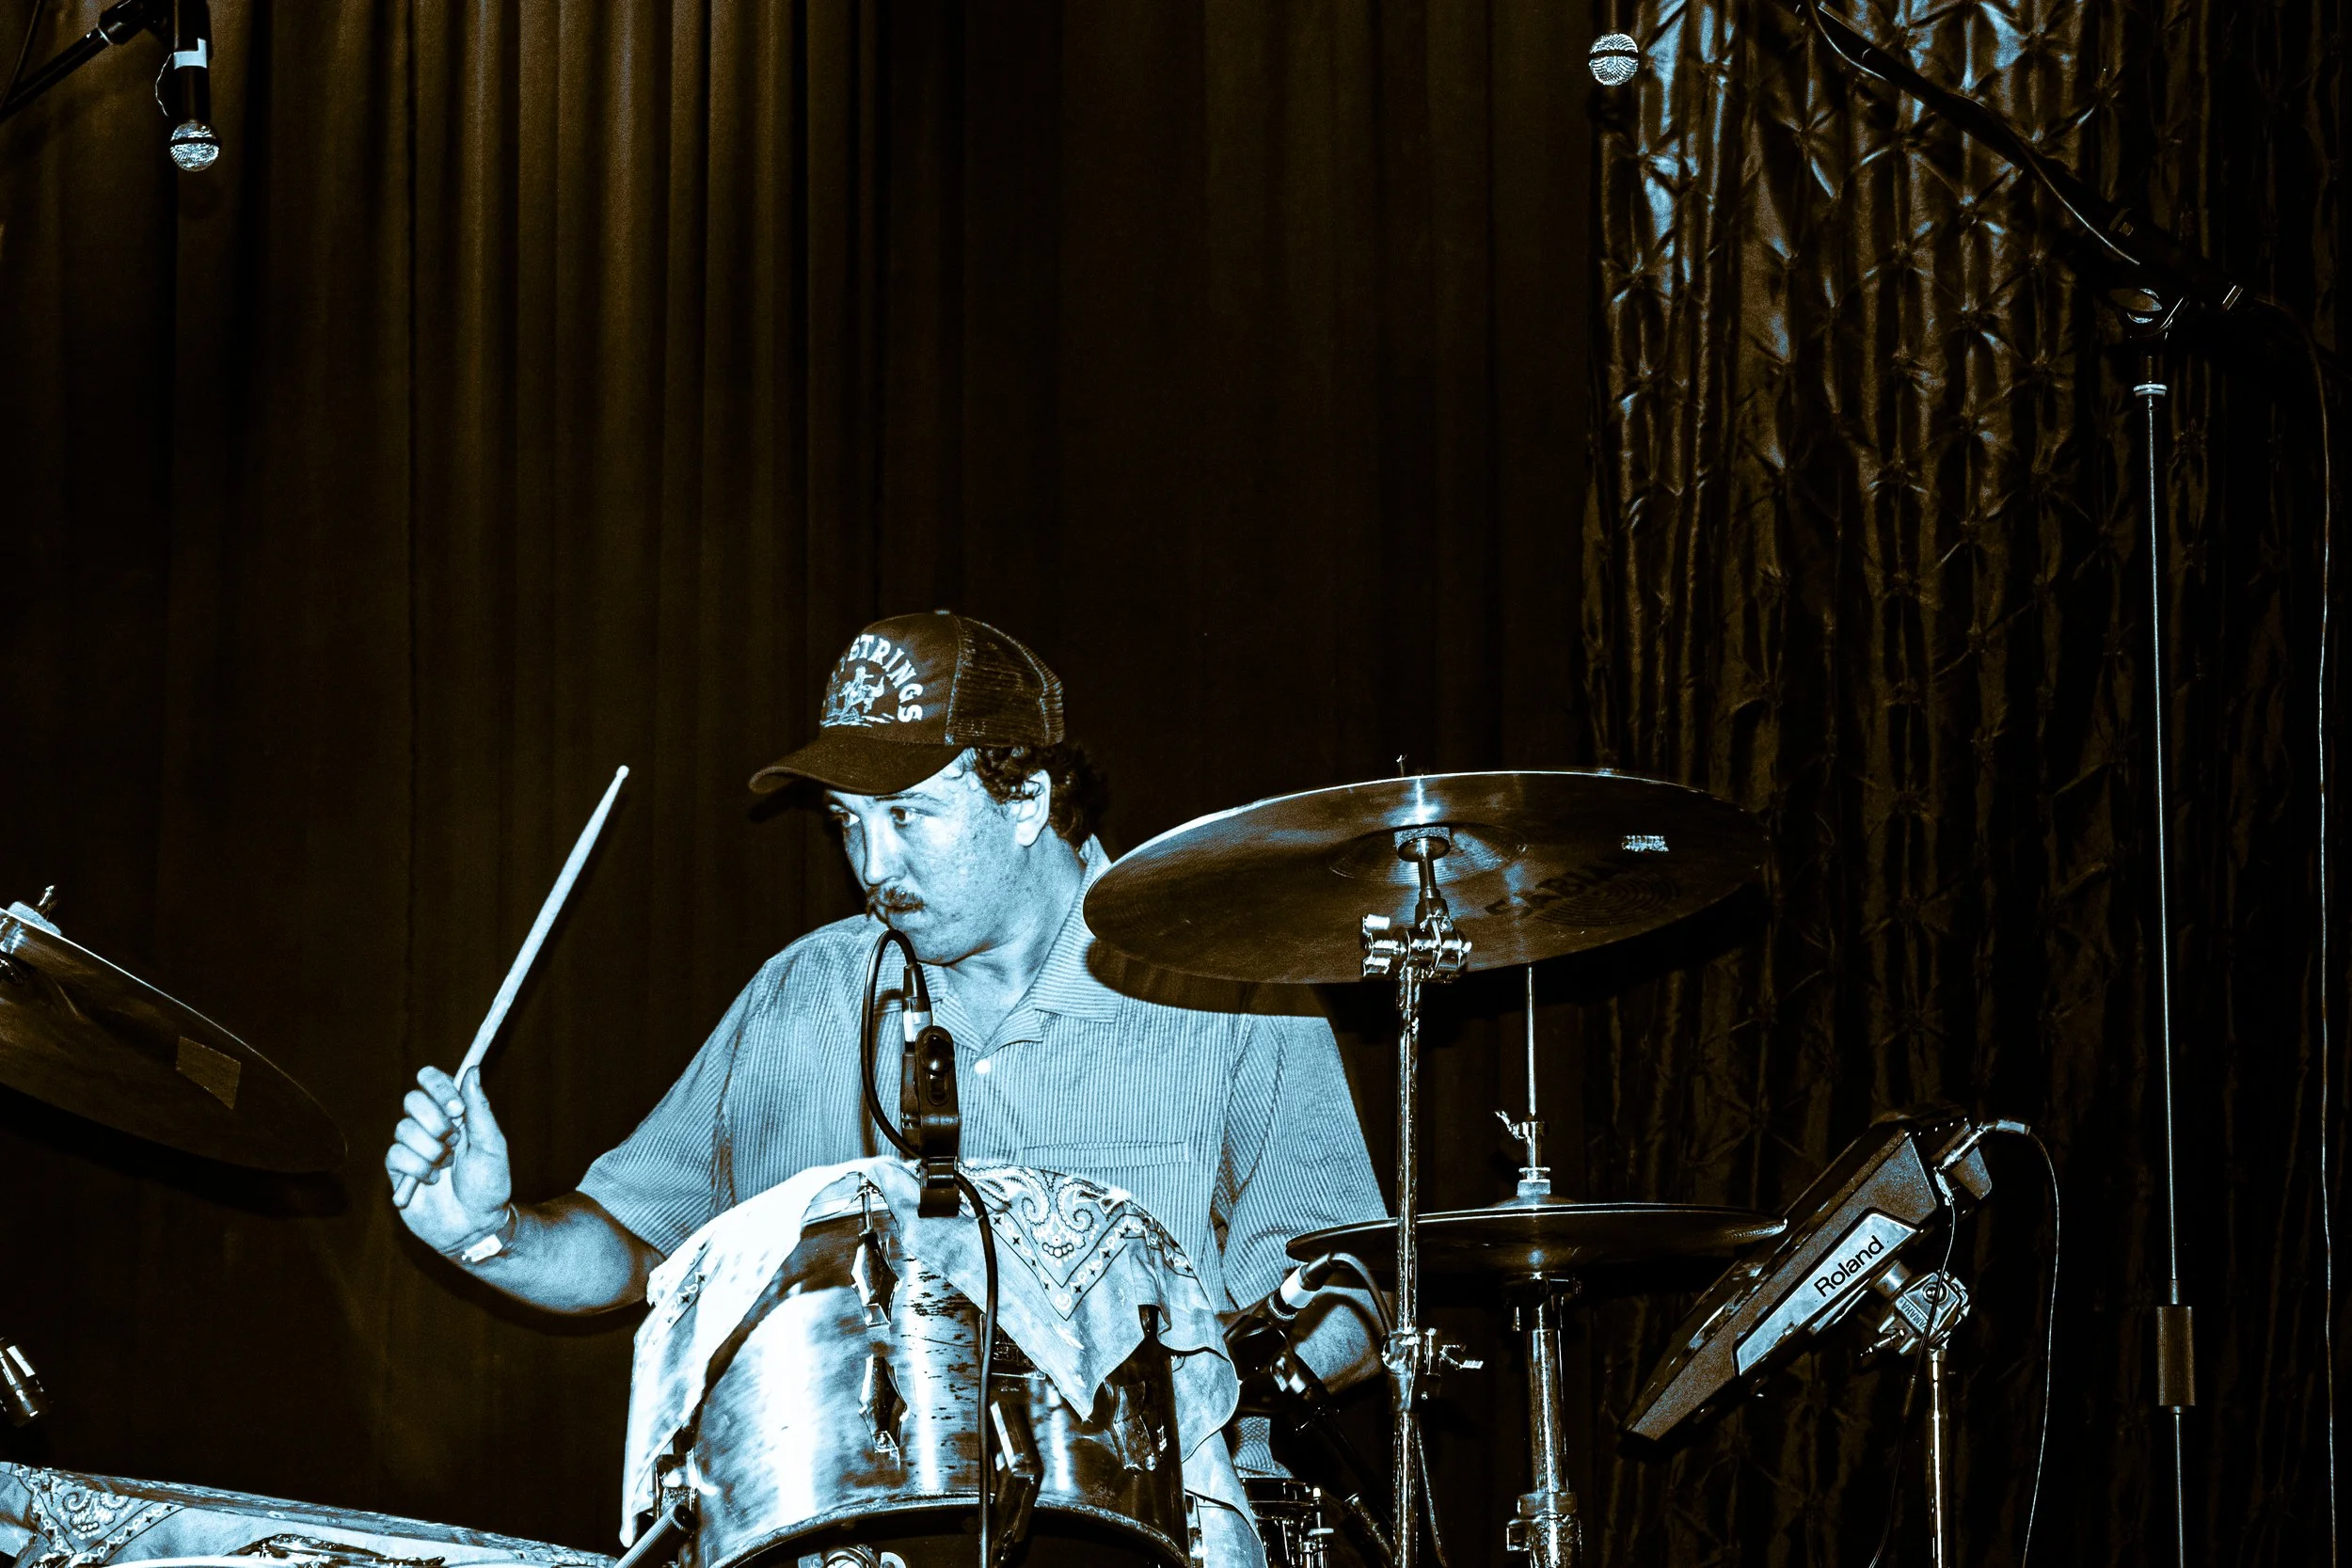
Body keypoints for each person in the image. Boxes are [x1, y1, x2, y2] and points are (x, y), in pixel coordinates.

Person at [384, 610, 1387, 1494]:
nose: (873, 866)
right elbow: (635, 1246)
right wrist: (489, 1232)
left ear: (1026, 798)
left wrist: (1230, 1375)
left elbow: (1349, 1287)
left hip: (1143, 1521)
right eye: (849, 823)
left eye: (908, 815)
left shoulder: (1232, 993)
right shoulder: (804, 994)